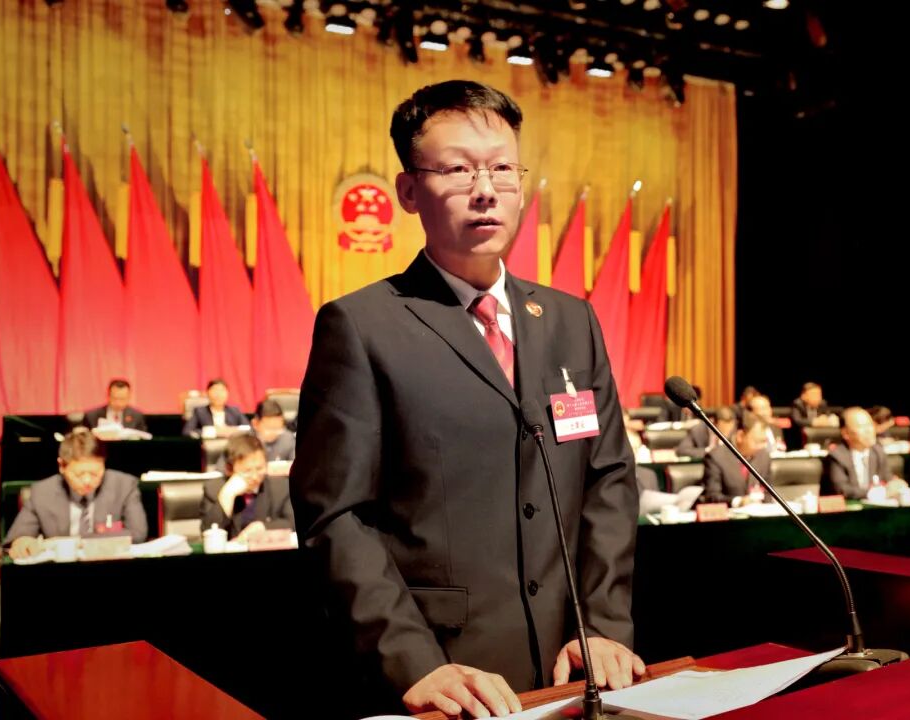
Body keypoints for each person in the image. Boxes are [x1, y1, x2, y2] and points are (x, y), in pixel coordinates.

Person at [290, 80, 642, 718]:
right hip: (448, 677)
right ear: (408, 192)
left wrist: (603, 623)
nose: (486, 189)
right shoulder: (363, 326)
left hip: (575, 668)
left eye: (502, 168)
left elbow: (608, 477)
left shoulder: (571, 321)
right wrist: (414, 662)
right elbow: (336, 517)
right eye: (458, 170)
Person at [4, 430, 147, 558]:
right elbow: (19, 536)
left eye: (95, 473)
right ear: (62, 466)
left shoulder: (125, 485)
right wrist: (22, 543)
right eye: (79, 474)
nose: (87, 481)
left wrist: (76, 542)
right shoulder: (42, 491)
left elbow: (138, 533)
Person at [199, 433, 294, 541]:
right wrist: (227, 495)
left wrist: (264, 527)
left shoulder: (281, 487)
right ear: (229, 469)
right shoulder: (213, 489)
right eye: (247, 471)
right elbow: (208, 532)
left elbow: (293, 522)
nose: (254, 477)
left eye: (259, 468)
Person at [822, 407, 895, 499]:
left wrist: (896, 485)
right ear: (845, 433)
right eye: (863, 427)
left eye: (871, 425)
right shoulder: (837, 456)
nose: (869, 430)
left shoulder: (878, 452)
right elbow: (842, 489)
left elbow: (888, 478)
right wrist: (872, 493)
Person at [700, 413, 772, 506]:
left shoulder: (764, 456)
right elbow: (712, 496)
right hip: (729, 512)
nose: (762, 446)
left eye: (764, 441)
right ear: (740, 436)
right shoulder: (716, 457)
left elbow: (768, 492)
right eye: (757, 441)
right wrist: (738, 502)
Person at [183, 378, 248, 437]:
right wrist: (211, 431)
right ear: (208, 393)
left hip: (232, 444)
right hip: (209, 444)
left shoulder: (234, 411)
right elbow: (187, 432)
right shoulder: (199, 411)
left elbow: (248, 428)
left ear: (227, 393)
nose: (218, 394)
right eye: (215, 390)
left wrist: (233, 430)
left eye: (222, 390)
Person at [83, 379, 147, 431]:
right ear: (108, 396)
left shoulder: (137, 416)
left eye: (122, 399)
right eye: (115, 398)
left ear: (129, 397)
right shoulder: (91, 416)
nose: (118, 403)